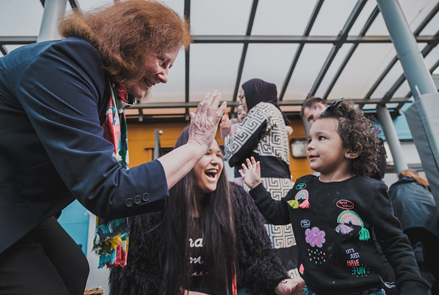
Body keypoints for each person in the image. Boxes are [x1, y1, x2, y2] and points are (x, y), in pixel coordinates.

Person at [0, 1, 227, 294]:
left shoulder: (100, 87)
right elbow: (107, 189)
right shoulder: (67, 63)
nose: (165, 76)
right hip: (6, 205)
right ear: (131, 43)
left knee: (74, 268)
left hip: (18, 203)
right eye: (162, 61)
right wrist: (195, 144)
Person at [241, 98, 430, 295]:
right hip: (315, 290)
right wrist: (256, 187)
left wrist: (412, 282)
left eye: (321, 138)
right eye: (309, 139)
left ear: (352, 149)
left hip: (365, 290)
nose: (310, 146)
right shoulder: (302, 186)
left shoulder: (369, 190)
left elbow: (394, 242)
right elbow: (277, 214)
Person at [109, 126, 305, 295]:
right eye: (206, 153)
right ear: (184, 158)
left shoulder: (236, 201)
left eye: (219, 155)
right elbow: (131, 274)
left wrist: (278, 283)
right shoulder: (153, 206)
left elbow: (258, 258)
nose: (216, 161)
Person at [223, 78, 299, 278]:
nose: (240, 102)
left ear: (254, 94)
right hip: (275, 185)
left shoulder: (263, 108)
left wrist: (227, 136)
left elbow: (233, 151)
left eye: (242, 97)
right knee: (284, 251)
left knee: (266, 246)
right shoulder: (274, 113)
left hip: (264, 186)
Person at [388, 169, 439, 291]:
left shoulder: (394, 189)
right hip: (428, 224)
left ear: (399, 177)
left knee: (402, 252)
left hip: (406, 225)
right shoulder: (424, 184)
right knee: (433, 253)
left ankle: (408, 282)